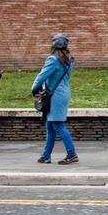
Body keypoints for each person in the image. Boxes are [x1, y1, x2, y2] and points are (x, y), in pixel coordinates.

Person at [32, 33, 78, 165]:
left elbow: (41, 77)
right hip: (63, 93)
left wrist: (34, 89)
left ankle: (72, 154)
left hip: (54, 95)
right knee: (50, 126)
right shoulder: (69, 60)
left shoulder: (53, 60)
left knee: (58, 125)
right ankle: (46, 155)